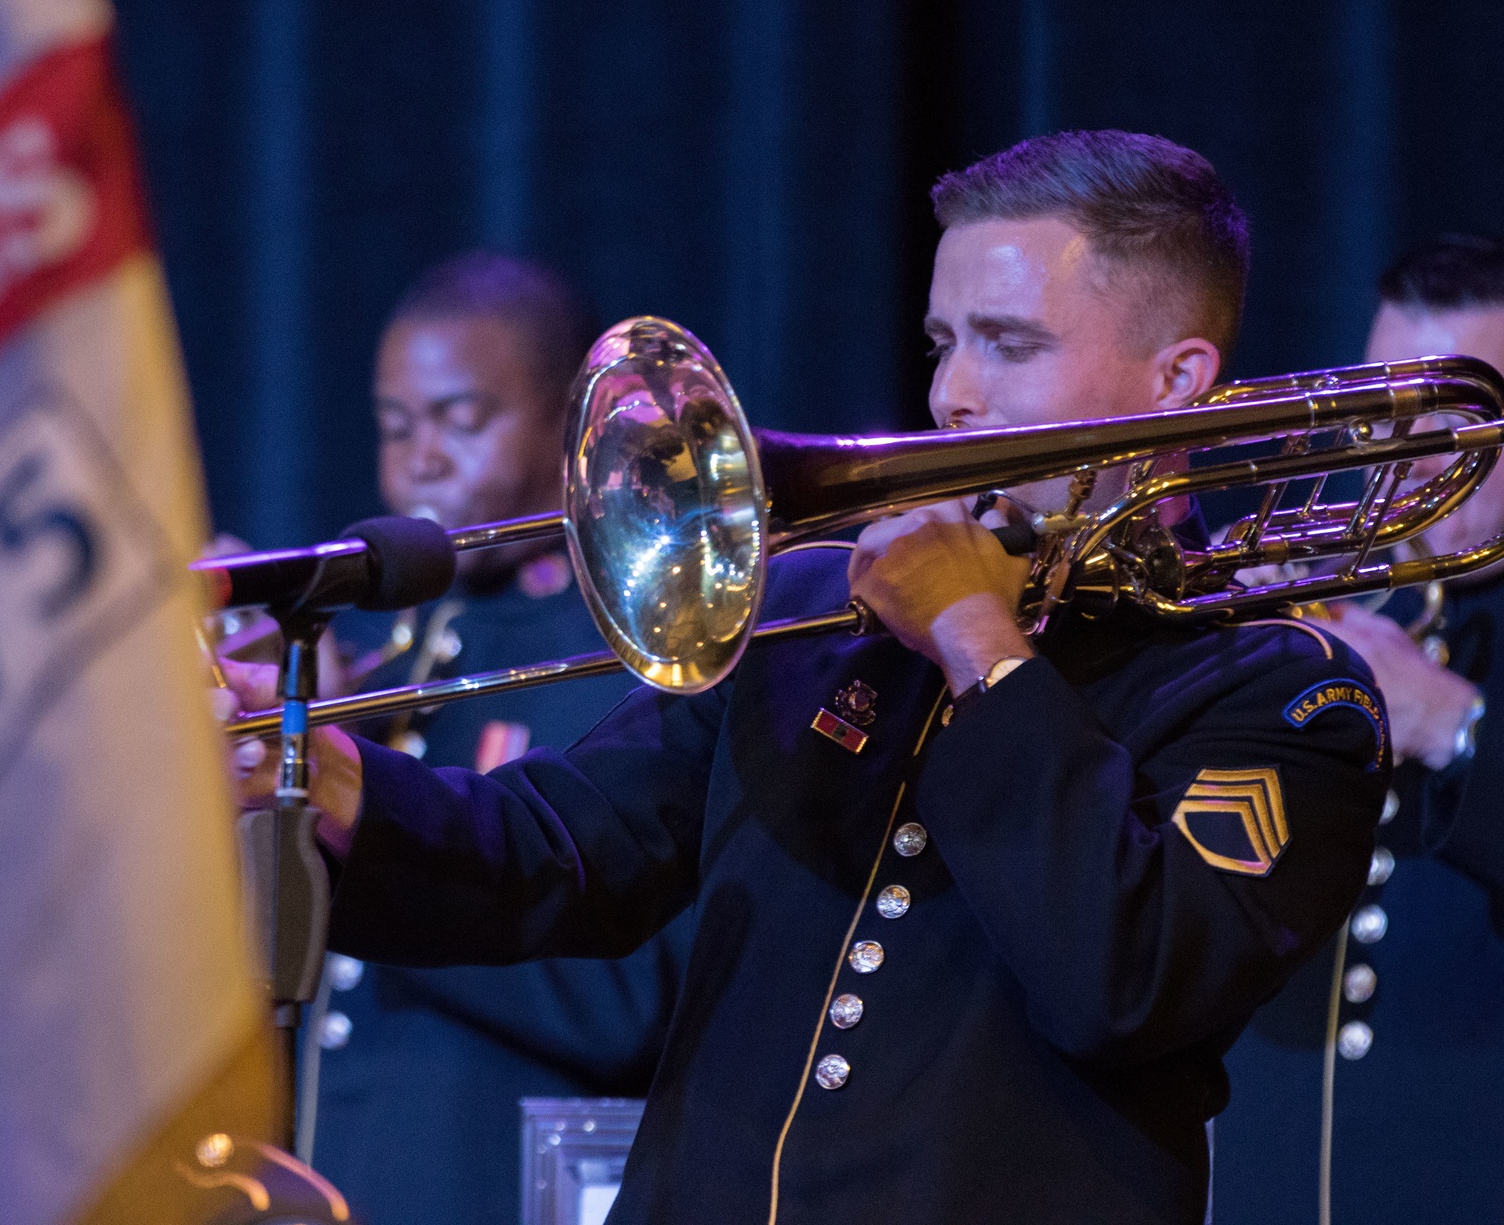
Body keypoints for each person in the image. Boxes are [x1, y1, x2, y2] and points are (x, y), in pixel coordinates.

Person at [224, 132, 1388, 1224]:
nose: (953, 396)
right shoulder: (811, 608)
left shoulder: (1284, 692)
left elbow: (1125, 981)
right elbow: (562, 853)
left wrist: (981, 644)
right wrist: (327, 780)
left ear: (1178, 378)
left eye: (1011, 343)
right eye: (944, 342)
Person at [303, 253, 693, 1225]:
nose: (421, 457)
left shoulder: (629, 659)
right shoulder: (390, 659)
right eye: (397, 426)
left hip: (514, 1187)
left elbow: (629, 999)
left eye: (460, 419)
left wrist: (376, 844)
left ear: (573, 421)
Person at [1215, 234, 1504, 1225]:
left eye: (1460, 420)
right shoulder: (1330, 602)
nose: (1414, 460)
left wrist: (1454, 723)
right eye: (1389, 414)